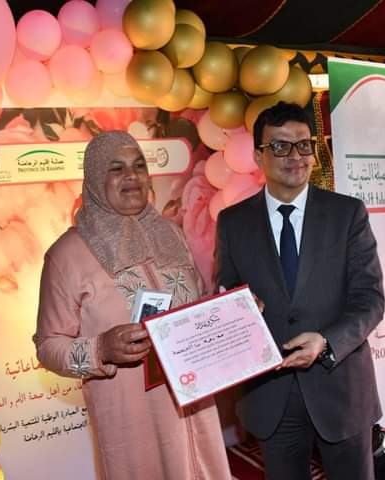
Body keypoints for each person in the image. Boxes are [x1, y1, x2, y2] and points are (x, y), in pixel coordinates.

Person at [34, 131, 231, 480]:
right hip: (132, 422)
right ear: (96, 178)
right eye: (116, 168)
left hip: (195, 405)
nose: (131, 176)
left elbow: (197, 302)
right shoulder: (66, 255)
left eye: (139, 166)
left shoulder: (171, 234)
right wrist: (101, 349)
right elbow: (48, 346)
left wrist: (230, 312)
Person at [214, 102, 385, 480]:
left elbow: (370, 300)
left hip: (340, 387)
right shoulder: (232, 222)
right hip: (271, 394)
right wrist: (238, 304)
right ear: (257, 156)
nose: (295, 156)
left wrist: (326, 341)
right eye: (279, 146)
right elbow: (224, 289)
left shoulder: (347, 214)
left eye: (304, 145)